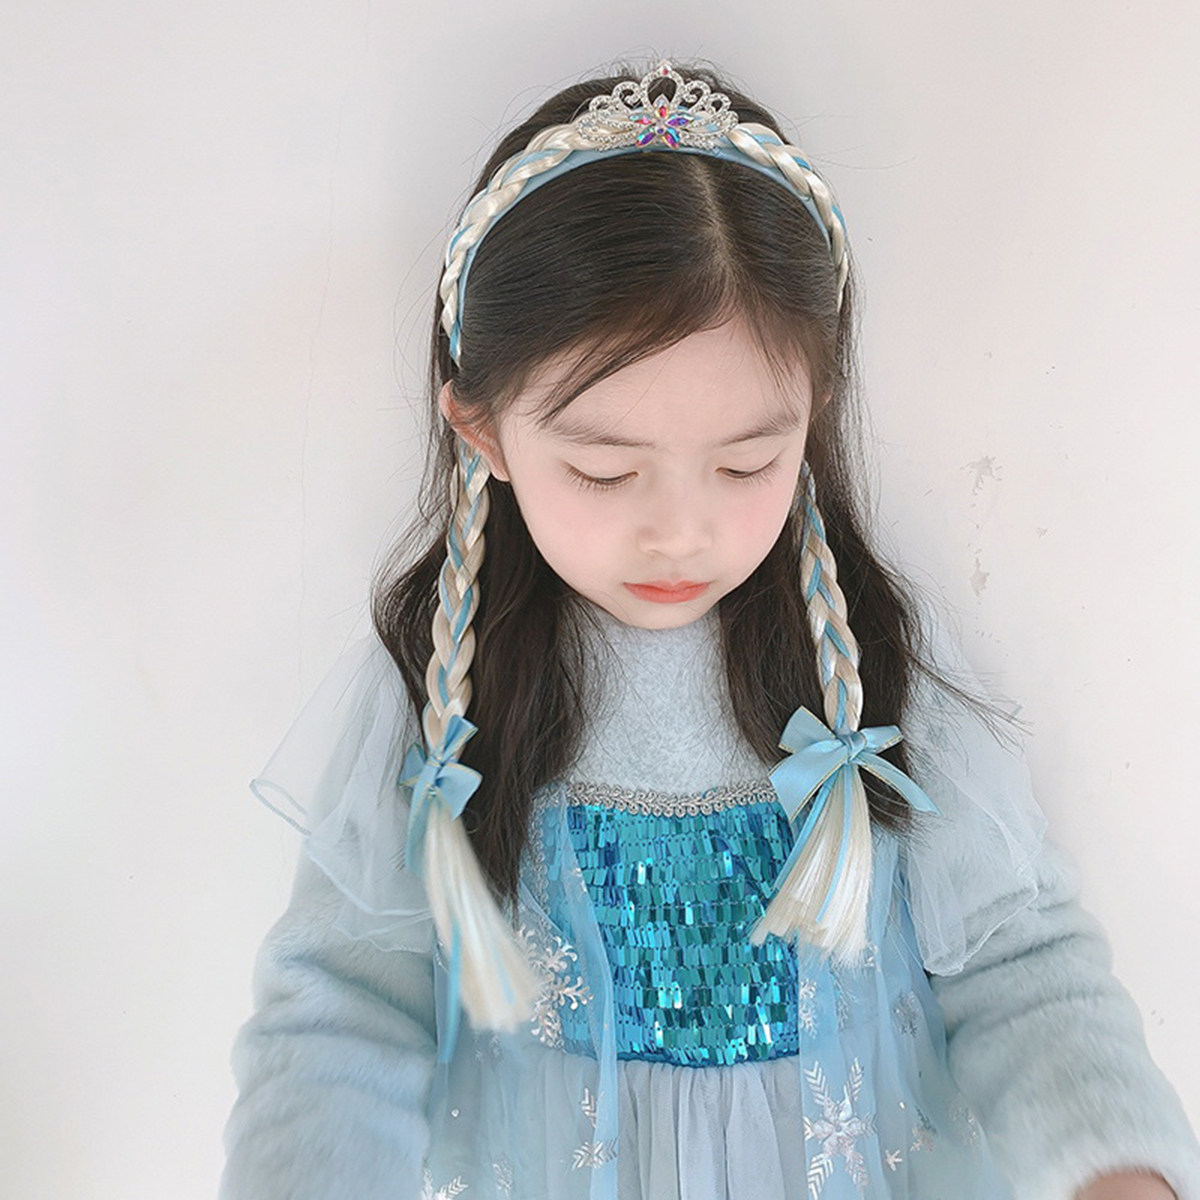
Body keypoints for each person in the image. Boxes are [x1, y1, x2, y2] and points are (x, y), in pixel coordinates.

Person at [218, 59, 1200, 1200]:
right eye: (604, 471)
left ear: (812, 416)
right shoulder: (442, 691)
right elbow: (345, 1012)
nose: (679, 532)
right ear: (482, 432)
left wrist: (1116, 1166)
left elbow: (1016, 963)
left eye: (745, 463)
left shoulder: (870, 661)